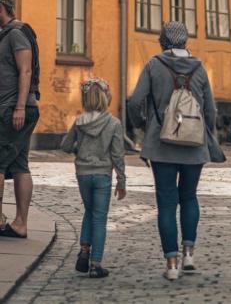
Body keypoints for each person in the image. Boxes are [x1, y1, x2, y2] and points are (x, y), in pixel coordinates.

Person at [127, 22, 216, 281]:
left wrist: (145, 126)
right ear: (186, 41)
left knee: (166, 203)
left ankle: (172, 264)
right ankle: (189, 253)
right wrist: (205, 135)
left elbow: (135, 102)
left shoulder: (154, 65)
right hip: (194, 145)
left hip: (161, 145)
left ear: (162, 42)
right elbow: (210, 109)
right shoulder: (199, 68)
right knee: (189, 197)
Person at [61, 78, 126, 278]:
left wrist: (78, 149)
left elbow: (64, 145)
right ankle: (96, 264)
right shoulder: (113, 123)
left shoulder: (79, 122)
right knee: (99, 218)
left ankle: (84, 250)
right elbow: (117, 155)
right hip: (102, 175)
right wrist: (121, 181)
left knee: (89, 211)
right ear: (106, 98)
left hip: (82, 174)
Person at [0, 0, 40, 238]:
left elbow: (25, 72)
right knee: (20, 165)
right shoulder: (6, 35)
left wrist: (19, 108)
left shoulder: (16, 33)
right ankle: (20, 223)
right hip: (14, 107)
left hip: (14, 108)